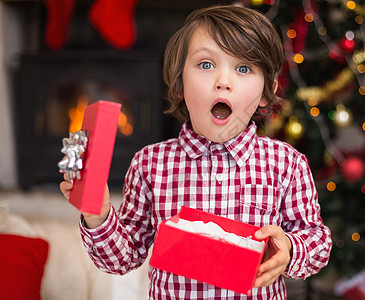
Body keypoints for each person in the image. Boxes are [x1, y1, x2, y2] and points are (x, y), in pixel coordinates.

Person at [60, 5, 332, 299]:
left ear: (267, 92)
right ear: (179, 85)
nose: (223, 81)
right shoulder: (150, 164)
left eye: (243, 68)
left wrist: (290, 250)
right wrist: (98, 217)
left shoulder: (286, 163)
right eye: (206, 64)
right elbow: (122, 259)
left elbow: (317, 243)